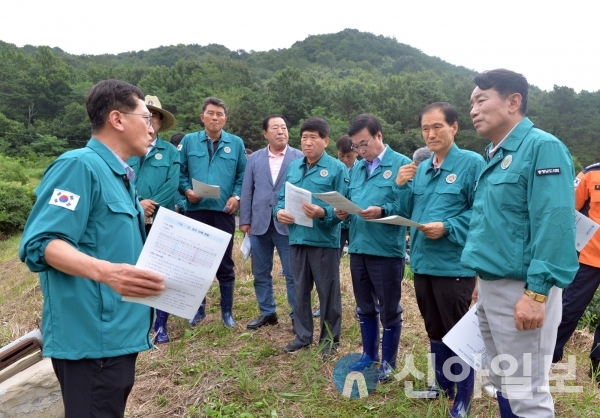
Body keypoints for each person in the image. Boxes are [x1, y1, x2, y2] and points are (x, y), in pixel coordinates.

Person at [18, 80, 165, 418]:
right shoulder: (79, 167)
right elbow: (40, 244)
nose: (151, 128)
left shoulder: (119, 176)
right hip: (90, 342)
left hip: (118, 335)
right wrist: (107, 272)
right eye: (145, 117)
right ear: (117, 119)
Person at [461, 69, 578, 417]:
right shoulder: (495, 154)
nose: (473, 110)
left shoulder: (542, 147)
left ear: (513, 102)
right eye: (471, 102)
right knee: (503, 381)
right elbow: (496, 227)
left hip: (523, 290)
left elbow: (554, 225)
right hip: (494, 286)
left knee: (527, 393)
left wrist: (537, 293)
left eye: (481, 100)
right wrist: (481, 281)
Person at [396, 103, 485, 417]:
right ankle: (442, 385)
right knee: (434, 329)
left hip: (453, 267)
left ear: (454, 127)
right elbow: (409, 211)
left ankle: (463, 397)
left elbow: (481, 212)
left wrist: (448, 227)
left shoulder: (471, 163)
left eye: (437, 127)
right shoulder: (422, 169)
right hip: (422, 264)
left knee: (458, 333)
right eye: (425, 129)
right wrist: (401, 184)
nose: (431, 134)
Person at [335, 114, 412, 381]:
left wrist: (382, 210)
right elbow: (350, 199)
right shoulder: (356, 167)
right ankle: (370, 354)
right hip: (358, 247)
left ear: (379, 135)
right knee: (364, 305)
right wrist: (342, 210)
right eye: (356, 146)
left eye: (364, 144)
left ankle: (388, 364)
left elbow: (408, 208)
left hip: (385, 250)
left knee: (389, 308)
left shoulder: (401, 165)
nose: (360, 150)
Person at [275, 117, 348, 360]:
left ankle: (329, 340)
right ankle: (302, 335)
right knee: (299, 289)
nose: (307, 142)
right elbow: (281, 199)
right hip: (297, 238)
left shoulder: (337, 169)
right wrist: (280, 212)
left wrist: (323, 213)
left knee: (328, 293)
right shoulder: (294, 167)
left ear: (325, 141)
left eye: (313, 138)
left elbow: (343, 209)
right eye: (304, 137)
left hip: (324, 241)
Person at [179, 97, 246, 327]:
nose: (215, 117)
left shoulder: (236, 143)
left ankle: (227, 313)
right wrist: (187, 190)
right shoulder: (188, 142)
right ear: (202, 117)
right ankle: (198, 310)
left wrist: (236, 196)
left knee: (225, 262)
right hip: (195, 210)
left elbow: (242, 176)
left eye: (219, 114)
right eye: (210, 113)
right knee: (195, 262)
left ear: (225, 119)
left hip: (223, 212)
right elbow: (180, 172)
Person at [239, 114, 303, 330]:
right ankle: (268, 312)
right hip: (259, 223)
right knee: (260, 271)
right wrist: (245, 219)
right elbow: (247, 191)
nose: (281, 131)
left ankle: (297, 315)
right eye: (275, 128)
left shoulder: (299, 157)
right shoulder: (255, 159)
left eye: (284, 127)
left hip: (288, 223)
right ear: (265, 133)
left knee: (293, 273)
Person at [126, 95, 179, 344]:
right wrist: (138, 204)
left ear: (159, 122)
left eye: (153, 116)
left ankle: (160, 325)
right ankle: (137, 323)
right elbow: (120, 181)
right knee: (134, 267)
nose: (149, 120)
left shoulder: (169, 151)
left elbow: (172, 184)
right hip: (129, 216)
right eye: (144, 115)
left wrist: (151, 206)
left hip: (161, 219)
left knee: (161, 271)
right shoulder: (126, 148)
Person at [553, 161, 600, 383]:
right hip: (588, 258)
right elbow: (568, 210)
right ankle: (549, 358)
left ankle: (597, 372)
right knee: (569, 309)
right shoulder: (591, 174)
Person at [312, 135, 358, 318]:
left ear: (356, 152)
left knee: (359, 266)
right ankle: (325, 304)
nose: (346, 160)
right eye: (342, 156)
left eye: (349, 156)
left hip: (354, 223)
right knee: (328, 266)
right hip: (335, 223)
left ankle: (361, 306)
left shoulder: (362, 169)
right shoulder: (332, 168)